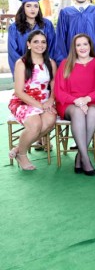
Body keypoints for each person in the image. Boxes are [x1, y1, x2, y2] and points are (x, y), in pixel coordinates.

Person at [54, 34, 95, 176]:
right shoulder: (66, 63)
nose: (82, 47)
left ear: (90, 46)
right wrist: (77, 101)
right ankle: (86, 159)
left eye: (85, 44)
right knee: (78, 112)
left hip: (91, 101)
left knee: (93, 113)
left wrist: (86, 99)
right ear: (74, 48)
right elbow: (58, 90)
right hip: (69, 103)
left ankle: (80, 156)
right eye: (78, 45)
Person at [8, 30, 57, 170]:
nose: (40, 45)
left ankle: (18, 148)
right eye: (36, 41)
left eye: (43, 42)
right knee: (35, 124)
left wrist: (50, 100)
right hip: (23, 100)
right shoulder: (21, 63)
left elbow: (54, 86)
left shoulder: (51, 62)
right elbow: (18, 91)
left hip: (45, 101)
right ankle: (22, 155)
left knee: (49, 121)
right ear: (29, 44)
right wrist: (40, 105)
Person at [8, 0, 57, 76]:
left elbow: (52, 47)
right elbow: (13, 53)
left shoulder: (47, 25)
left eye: (36, 6)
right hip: (24, 70)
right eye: (28, 6)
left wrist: (46, 67)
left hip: (44, 69)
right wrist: (24, 69)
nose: (32, 9)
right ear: (23, 8)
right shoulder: (14, 28)